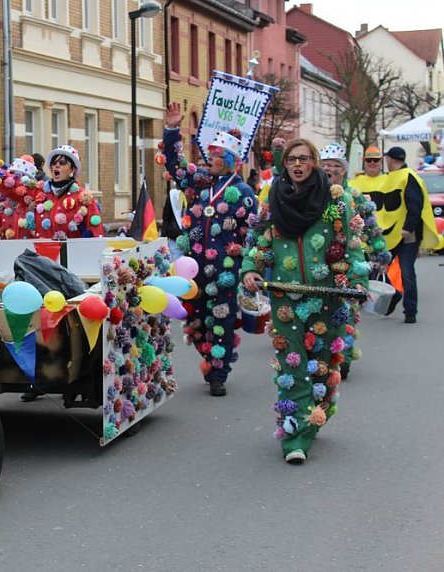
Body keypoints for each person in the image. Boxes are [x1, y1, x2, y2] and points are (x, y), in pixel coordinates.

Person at [241, 139, 369, 464]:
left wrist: (356, 280)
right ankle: (294, 436)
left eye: (304, 158)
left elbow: (351, 247)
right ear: (286, 165)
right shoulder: (273, 202)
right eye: (292, 159)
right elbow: (259, 242)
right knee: (292, 366)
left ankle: (316, 415)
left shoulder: (335, 203)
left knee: (323, 371)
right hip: (285, 298)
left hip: (328, 299)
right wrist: (251, 268)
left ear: (314, 163)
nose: (297, 164)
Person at [159, 101, 258, 397]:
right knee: (196, 316)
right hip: (195, 265)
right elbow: (175, 167)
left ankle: (219, 371)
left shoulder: (243, 193)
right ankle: (208, 356)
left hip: (225, 268)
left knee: (222, 317)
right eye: (210, 154)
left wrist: (243, 259)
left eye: (216, 155)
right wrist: (173, 130)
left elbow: (252, 233)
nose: (210, 159)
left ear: (229, 159)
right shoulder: (199, 185)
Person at [320, 143, 391, 378]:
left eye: (335, 166)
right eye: (325, 165)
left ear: (343, 170)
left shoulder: (356, 197)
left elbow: (372, 228)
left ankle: (345, 357)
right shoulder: (314, 195)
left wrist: (381, 254)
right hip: (320, 262)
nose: (330, 169)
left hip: (350, 260)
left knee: (348, 311)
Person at [378, 146, 440, 323]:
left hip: (407, 234)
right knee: (383, 270)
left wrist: (408, 228)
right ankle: (394, 295)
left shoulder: (408, 177)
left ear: (390, 160)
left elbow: (415, 206)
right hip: (391, 233)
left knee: (406, 272)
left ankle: (410, 311)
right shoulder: (392, 177)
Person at [34, 145, 104, 239]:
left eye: (62, 162)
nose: (56, 165)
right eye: (53, 163)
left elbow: (95, 232)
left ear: (73, 169)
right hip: (42, 251)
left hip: (72, 252)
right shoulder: (41, 194)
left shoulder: (83, 198)